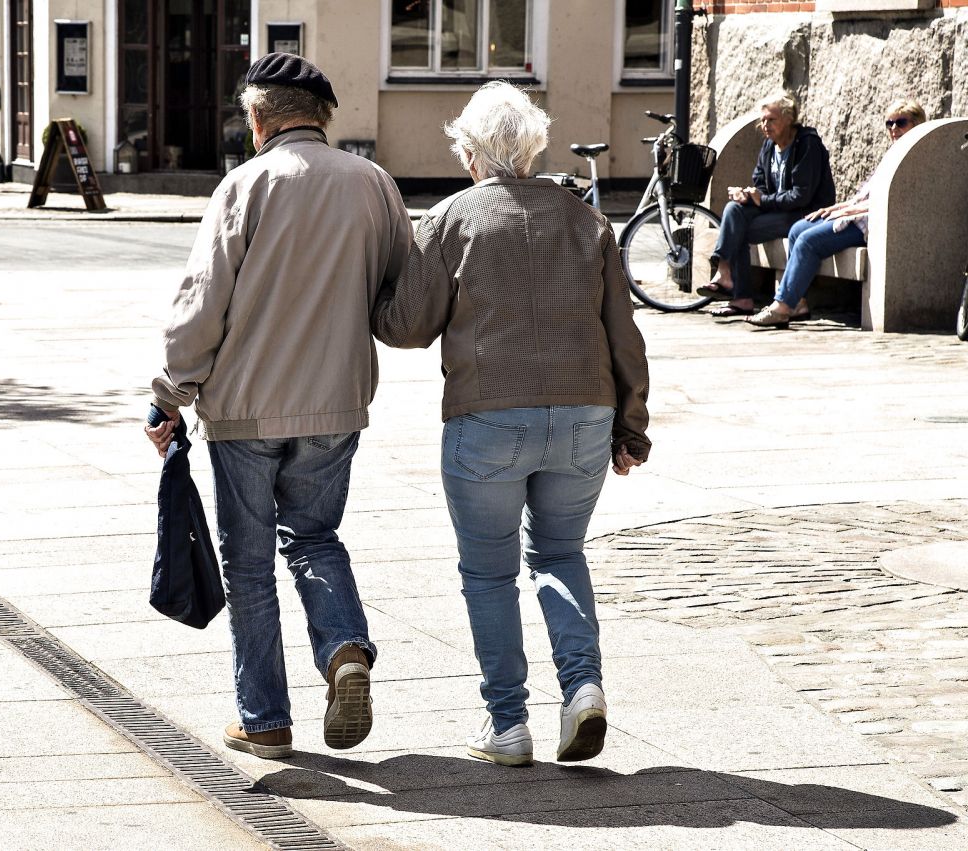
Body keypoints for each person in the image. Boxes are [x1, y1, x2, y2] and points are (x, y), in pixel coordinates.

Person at [372, 81, 652, 766]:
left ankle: (507, 724)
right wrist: (631, 426)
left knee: (489, 573)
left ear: (470, 152)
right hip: (586, 412)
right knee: (560, 555)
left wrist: (376, 294)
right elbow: (624, 332)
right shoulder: (586, 220)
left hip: (488, 415)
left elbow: (408, 325)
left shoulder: (451, 218)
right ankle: (583, 688)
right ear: (532, 149)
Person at [143, 53, 412, 760]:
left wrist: (170, 393)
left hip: (246, 410)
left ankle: (264, 718)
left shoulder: (246, 184)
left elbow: (201, 304)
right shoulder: (375, 185)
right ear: (324, 116)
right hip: (336, 405)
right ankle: (345, 648)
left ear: (258, 120)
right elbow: (400, 304)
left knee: (251, 564)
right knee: (316, 537)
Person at [748, 99, 927, 328]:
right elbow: (864, 196)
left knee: (808, 241)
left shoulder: (914, 158)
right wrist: (838, 207)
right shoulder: (893, 154)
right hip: (856, 214)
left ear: (917, 124)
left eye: (901, 123)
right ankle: (798, 303)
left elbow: (901, 202)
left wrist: (857, 209)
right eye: (889, 123)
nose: (894, 129)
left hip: (871, 223)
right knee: (798, 229)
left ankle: (782, 306)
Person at [698, 90, 836, 318]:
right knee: (734, 209)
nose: (765, 125)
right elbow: (760, 181)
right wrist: (748, 194)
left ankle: (738, 294)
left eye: (771, 120)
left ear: (789, 118)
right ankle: (725, 273)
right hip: (778, 210)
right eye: (763, 120)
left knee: (737, 229)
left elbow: (800, 197)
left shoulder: (806, 144)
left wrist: (762, 199)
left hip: (805, 214)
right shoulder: (769, 146)